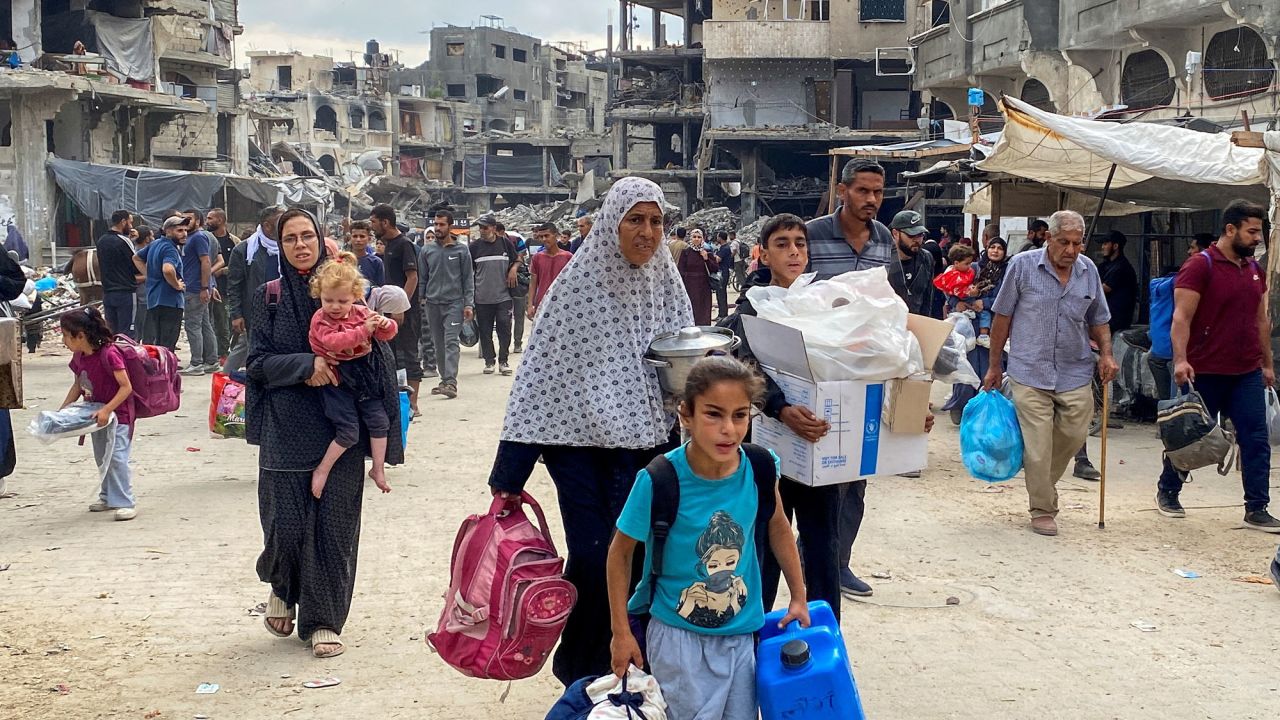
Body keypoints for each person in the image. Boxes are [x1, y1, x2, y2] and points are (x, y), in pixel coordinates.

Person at [486, 176, 693, 684]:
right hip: (577, 444)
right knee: (594, 553)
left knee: (646, 555)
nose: (647, 232)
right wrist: (509, 475)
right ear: (610, 224)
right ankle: (582, 669)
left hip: (648, 444)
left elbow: (690, 361)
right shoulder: (574, 290)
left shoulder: (666, 284)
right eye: (635, 220)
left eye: (656, 221)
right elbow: (538, 380)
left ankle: (633, 660)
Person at [606, 356, 810, 719]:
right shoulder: (659, 480)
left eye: (740, 415)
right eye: (713, 414)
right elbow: (619, 554)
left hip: (743, 636)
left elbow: (778, 526)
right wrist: (621, 633)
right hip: (678, 640)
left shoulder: (761, 468)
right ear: (686, 415)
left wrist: (799, 595)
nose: (728, 429)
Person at [247, 208, 403, 660]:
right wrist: (306, 365)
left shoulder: (348, 293)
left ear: (320, 240)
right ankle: (282, 586)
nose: (300, 244)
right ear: (280, 245)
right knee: (285, 524)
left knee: (334, 528)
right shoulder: (269, 296)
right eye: (290, 237)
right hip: (287, 425)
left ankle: (322, 619)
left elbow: (379, 355)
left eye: (307, 235)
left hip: (342, 425)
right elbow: (255, 364)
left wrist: (385, 437)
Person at [721, 214, 844, 617]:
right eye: (783, 243)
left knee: (823, 544)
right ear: (764, 254)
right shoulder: (752, 306)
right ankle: (757, 633)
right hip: (771, 443)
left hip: (818, 441)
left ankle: (825, 635)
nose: (794, 251)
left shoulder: (824, 303)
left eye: (800, 243)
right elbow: (746, 363)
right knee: (766, 543)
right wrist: (780, 408)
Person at [982, 210, 1118, 537]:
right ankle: (1043, 507)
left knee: (1074, 434)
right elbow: (1002, 317)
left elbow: (1099, 319)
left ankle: (1040, 480)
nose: (1070, 250)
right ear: (1048, 238)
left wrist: (1108, 355)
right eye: (1063, 242)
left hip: (1075, 371)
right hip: (1030, 370)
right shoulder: (1022, 266)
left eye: (1076, 243)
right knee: (1038, 447)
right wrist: (994, 365)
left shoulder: (1088, 272)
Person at [804, 159, 900, 597]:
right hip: (816, 368)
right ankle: (804, 558)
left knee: (856, 471)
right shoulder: (811, 234)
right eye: (863, 191)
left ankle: (838, 562)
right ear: (842, 191)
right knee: (806, 473)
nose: (872, 200)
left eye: (877, 192)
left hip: (865, 368)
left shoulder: (883, 239)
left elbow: (894, 299)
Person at [1157, 200, 1279, 532]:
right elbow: (1181, 317)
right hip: (1204, 371)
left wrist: (1267, 365)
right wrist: (1180, 359)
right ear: (1230, 229)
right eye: (1252, 231)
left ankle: (1257, 507)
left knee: (1255, 437)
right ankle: (1168, 491)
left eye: (1259, 232)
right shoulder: (1201, 266)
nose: (1257, 238)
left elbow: (1261, 321)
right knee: (1189, 438)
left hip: (1246, 372)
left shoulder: (1253, 270)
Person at [307, 252, 397, 498]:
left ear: (355, 296)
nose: (335, 307)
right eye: (328, 300)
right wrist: (362, 331)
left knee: (380, 422)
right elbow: (333, 342)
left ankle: (378, 469)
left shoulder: (360, 312)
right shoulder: (320, 319)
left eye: (342, 301)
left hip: (365, 374)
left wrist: (385, 325)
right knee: (348, 431)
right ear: (319, 296)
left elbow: (385, 334)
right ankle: (323, 469)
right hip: (337, 377)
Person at [59, 307, 137, 521]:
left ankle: (125, 501)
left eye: (66, 335)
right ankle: (107, 497)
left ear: (81, 335)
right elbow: (78, 384)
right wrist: (64, 408)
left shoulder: (109, 354)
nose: (64, 341)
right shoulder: (79, 356)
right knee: (102, 456)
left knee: (117, 457)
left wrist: (107, 409)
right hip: (96, 416)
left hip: (118, 415)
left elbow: (126, 387)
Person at [371, 204, 424, 413]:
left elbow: (413, 277)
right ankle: (395, 400)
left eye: (374, 222)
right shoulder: (385, 246)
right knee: (389, 355)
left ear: (385, 222)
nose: (372, 226)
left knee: (410, 354)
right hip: (387, 314)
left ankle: (413, 404)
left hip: (405, 314)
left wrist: (401, 306)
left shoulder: (404, 245)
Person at [1148, 234, 1215, 400]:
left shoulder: (1167, 282)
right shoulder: (1189, 277)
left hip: (1168, 343)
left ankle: (1166, 407)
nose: (1188, 251)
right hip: (1181, 343)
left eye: (1192, 247)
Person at [421, 209, 475, 400]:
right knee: (438, 343)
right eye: (436, 224)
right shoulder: (427, 250)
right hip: (432, 304)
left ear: (450, 226)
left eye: (441, 224)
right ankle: (444, 380)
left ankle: (451, 381)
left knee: (451, 341)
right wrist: (422, 298)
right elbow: (423, 278)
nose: (437, 228)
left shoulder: (461, 250)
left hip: (454, 304)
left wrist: (469, 304)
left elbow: (468, 279)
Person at [225, 206, 284, 373]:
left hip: (283, 311)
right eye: (280, 221)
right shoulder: (244, 250)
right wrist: (236, 315)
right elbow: (234, 285)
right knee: (255, 352)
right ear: (267, 225)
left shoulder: (289, 246)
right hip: (255, 313)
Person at [471, 215, 519, 376]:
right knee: (484, 331)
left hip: (503, 296)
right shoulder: (474, 247)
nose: (482, 231)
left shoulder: (505, 243)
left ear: (493, 228)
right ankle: (489, 361)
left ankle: (503, 361)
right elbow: (468, 272)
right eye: (480, 228)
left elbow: (517, 259)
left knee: (504, 328)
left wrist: (513, 269)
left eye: (485, 228)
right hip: (482, 298)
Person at [134, 216, 186, 351]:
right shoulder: (170, 249)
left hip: (154, 300)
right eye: (179, 230)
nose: (184, 234)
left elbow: (136, 258)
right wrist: (177, 285)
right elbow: (168, 269)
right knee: (167, 346)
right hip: (170, 301)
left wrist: (149, 275)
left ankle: (159, 370)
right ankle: (166, 370)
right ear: (168, 231)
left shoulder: (155, 244)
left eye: (185, 230)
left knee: (159, 343)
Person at [178, 209, 219, 376]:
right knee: (204, 324)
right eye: (183, 219)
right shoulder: (190, 238)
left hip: (195, 289)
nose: (185, 222)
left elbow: (206, 261)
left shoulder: (198, 237)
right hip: (196, 288)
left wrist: (204, 287)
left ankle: (197, 363)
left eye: (189, 219)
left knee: (192, 325)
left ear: (198, 221)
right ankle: (211, 360)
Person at [96, 210, 138, 339]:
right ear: (123, 222)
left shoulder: (101, 241)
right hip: (125, 293)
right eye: (130, 223)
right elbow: (136, 263)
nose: (131, 227)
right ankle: (125, 359)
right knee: (127, 334)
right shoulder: (124, 241)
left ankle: (112, 358)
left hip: (108, 293)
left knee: (112, 332)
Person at [886, 210, 936, 316]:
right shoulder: (883, 259)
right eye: (911, 235)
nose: (917, 240)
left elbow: (928, 298)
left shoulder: (926, 258)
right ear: (895, 234)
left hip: (916, 324)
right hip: (888, 324)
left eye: (921, 235)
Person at [205, 209, 238, 359]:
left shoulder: (234, 242)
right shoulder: (207, 239)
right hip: (208, 286)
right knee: (211, 322)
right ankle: (213, 352)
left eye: (210, 218)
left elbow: (239, 266)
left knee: (226, 322)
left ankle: (224, 352)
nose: (207, 221)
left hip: (227, 288)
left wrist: (223, 271)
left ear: (220, 220)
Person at [969, 237, 1010, 348]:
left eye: (1000, 248)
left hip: (994, 322)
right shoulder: (974, 267)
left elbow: (1009, 298)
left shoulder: (1007, 271)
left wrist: (985, 303)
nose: (995, 251)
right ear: (987, 249)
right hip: (971, 319)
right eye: (992, 247)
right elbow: (953, 286)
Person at [527, 222, 571, 322]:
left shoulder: (568, 257)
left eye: (547, 236)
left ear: (555, 235)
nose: (544, 239)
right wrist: (530, 305)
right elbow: (533, 283)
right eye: (541, 237)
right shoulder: (537, 258)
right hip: (542, 303)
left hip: (563, 304)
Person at [677, 228, 719, 325]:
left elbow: (715, 268)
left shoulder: (707, 252)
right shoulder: (686, 253)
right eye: (694, 237)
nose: (696, 239)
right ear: (691, 238)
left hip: (704, 287)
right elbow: (681, 271)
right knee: (691, 309)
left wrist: (706, 259)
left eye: (699, 237)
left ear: (702, 239)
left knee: (703, 310)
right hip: (689, 286)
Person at [1098, 230, 1138, 333]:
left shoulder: (1122, 267)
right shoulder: (1106, 265)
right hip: (1105, 316)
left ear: (1115, 246)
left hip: (1116, 320)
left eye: (1106, 244)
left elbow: (1103, 289)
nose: (1102, 247)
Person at [501, 223, 530, 353]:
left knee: (519, 314)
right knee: (505, 316)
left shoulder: (516, 240)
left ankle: (517, 342)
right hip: (500, 284)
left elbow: (522, 255)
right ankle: (505, 344)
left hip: (518, 283)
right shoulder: (490, 244)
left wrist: (514, 268)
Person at [934, 244, 978, 316]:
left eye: (970, 263)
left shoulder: (968, 270)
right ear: (956, 263)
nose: (970, 266)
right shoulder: (950, 275)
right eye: (967, 264)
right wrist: (970, 292)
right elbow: (950, 291)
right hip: (956, 305)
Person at [131, 227, 152, 338]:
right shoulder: (142, 255)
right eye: (151, 236)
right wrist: (151, 276)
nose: (153, 238)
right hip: (143, 296)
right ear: (147, 239)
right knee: (144, 328)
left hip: (140, 296)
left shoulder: (132, 250)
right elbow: (134, 277)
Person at [713, 231, 734, 319]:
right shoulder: (724, 247)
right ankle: (722, 313)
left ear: (720, 238)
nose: (717, 238)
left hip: (723, 272)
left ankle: (722, 314)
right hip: (723, 272)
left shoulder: (725, 248)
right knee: (720, 293)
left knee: (721, 293)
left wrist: (711, 256)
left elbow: (718, 259)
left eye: (718, 237)